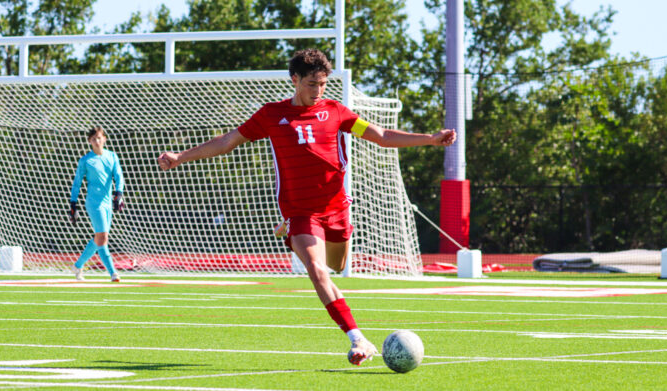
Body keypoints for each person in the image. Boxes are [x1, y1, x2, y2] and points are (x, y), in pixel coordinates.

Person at [157, 49, 455, 365]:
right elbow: (226, 142)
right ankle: (358, 339)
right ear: (295, 80)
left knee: (338, 265)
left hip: (336, 207)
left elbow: (380, 136)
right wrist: (180, 157)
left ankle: (294, 234)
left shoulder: (336, 112)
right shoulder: (270, 115)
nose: (318, 90)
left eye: (323, 83)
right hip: (300, 211)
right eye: (312, 83)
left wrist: (429, 139)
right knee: (316, 268)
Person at [69, 126, 125, 282]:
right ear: (89, 141)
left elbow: (119, 176)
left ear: (104, 139)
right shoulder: (86, 160)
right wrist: (73, 204)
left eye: (99, 138)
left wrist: (119, 194)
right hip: (94, 203)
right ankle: (113, 273)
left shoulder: (112, 156)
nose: (97, 141)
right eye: (93, 139)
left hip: (107, 203)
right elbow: (77, 183)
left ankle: (78, 265)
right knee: (103, 237)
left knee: (99, 238)